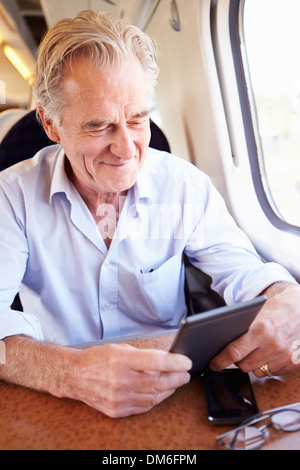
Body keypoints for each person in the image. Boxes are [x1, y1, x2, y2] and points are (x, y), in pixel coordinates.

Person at [0, 10, 299, 418]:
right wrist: (68, 373)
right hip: (63, 391)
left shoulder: (184, 186)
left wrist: (288, 299)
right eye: (99, 126)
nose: (126, 150)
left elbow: (246, 273)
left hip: (173, 388)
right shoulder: (11, 196)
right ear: (51, 125)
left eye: (138, 119)